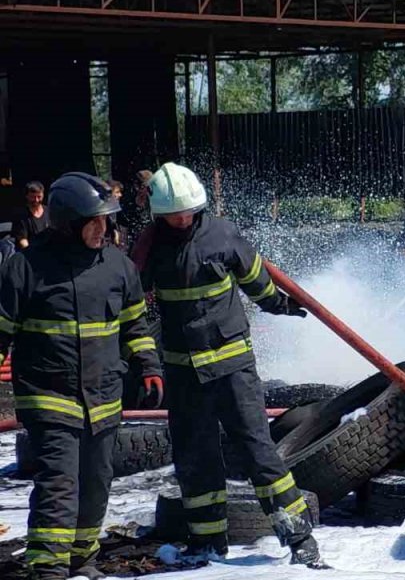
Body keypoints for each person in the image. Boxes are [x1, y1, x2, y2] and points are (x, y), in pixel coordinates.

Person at [136, 162, 325, 568]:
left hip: (232, 369)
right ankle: (206, 544)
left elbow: (257, 282)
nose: (181, 219)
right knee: (195, 457)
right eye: (172, 214)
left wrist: (285, 305)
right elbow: (129, 292)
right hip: (184, 374)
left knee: (258, 451)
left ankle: (298, 537)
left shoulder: (223, 235)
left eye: (186, 211)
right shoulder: (151, 245)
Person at [0, 173, 162, 580]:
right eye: (95, 221)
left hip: (104, 398)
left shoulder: (118, 268)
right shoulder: (25, 268)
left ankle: (80, 559)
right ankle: (48, 568)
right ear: (68, 223)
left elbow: (135, 326)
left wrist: (149, 366)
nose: (103, 229)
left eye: (107, 220)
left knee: (96, 485)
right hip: (49, 397)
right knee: (59, 484)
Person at [12, 181, 49, 250]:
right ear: (27, 196)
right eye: (33, 197)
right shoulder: (21, 215)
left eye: (39, 197)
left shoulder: (49, 211)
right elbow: (23, 240)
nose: (36, 200)